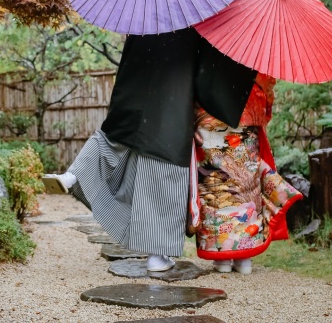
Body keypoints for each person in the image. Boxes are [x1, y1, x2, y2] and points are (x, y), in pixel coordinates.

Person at [44, 29, 256, 272]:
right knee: (162, 176)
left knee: (111, 141)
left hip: (132, 100)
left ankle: (74, 174)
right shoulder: (191, 26)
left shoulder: (143, 20)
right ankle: (157, 256)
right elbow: (207, 81)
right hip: (169, 108)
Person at [190, 73, 302, 274]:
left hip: (208, 112)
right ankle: (244, 258)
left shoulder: (205, 51)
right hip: (246, 111)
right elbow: (265, 82)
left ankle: (222, 258)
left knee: (214, 183)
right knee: (245, 184)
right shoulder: (251, 53)